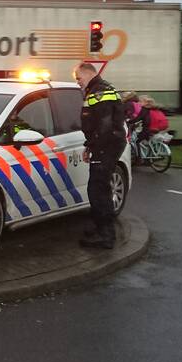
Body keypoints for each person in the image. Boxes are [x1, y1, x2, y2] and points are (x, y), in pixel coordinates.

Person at [74, 62, 126, 249]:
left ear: (88, 74)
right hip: (106, 145)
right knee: (98, 188)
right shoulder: (100, 90)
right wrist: (90, 146)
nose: (78, 82)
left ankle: (106, 236)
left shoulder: (99, 92)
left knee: (98, 191)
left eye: (78, 78)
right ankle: (101, 228)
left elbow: (103, 126)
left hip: (106, 146)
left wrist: (95, 147)